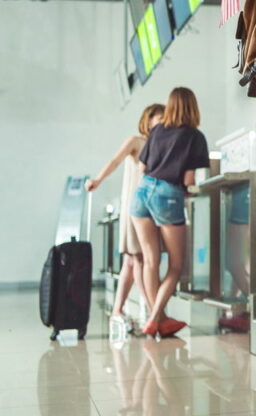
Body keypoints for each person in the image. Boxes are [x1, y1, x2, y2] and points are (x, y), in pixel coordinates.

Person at [131, 87, 210, 338]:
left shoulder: (156, 132)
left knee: (150, 260)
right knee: (176, 266)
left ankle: (160, 319)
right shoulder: (195, 136)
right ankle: (155, 319)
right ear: (193, 107)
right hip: (168, 194)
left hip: (142, 192)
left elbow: (141, 168)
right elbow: (188, 180)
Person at [86, 103, 165, 335]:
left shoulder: (161, 145)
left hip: (150, 209)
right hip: (134, 208)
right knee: (138, 259)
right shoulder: (136, 142)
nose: (161, 122)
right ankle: (153, 311)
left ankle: (118, 310)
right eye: (158, 118)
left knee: (131, 262)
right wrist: (98, 180)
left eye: (164, 118)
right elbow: (114, 161)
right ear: (148, 120)